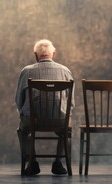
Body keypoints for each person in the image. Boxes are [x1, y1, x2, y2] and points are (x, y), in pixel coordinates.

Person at [15, 39, 75, 176]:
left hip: (33, 121)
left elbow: (19, 100)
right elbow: (71, 103)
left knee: (22, 130)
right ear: (53, 54)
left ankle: (33, 162)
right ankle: (58, 163)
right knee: (66, 131)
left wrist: (23, 114)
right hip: (59, 120)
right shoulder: (65, 71)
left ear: (36, 55)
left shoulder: (27, 71)